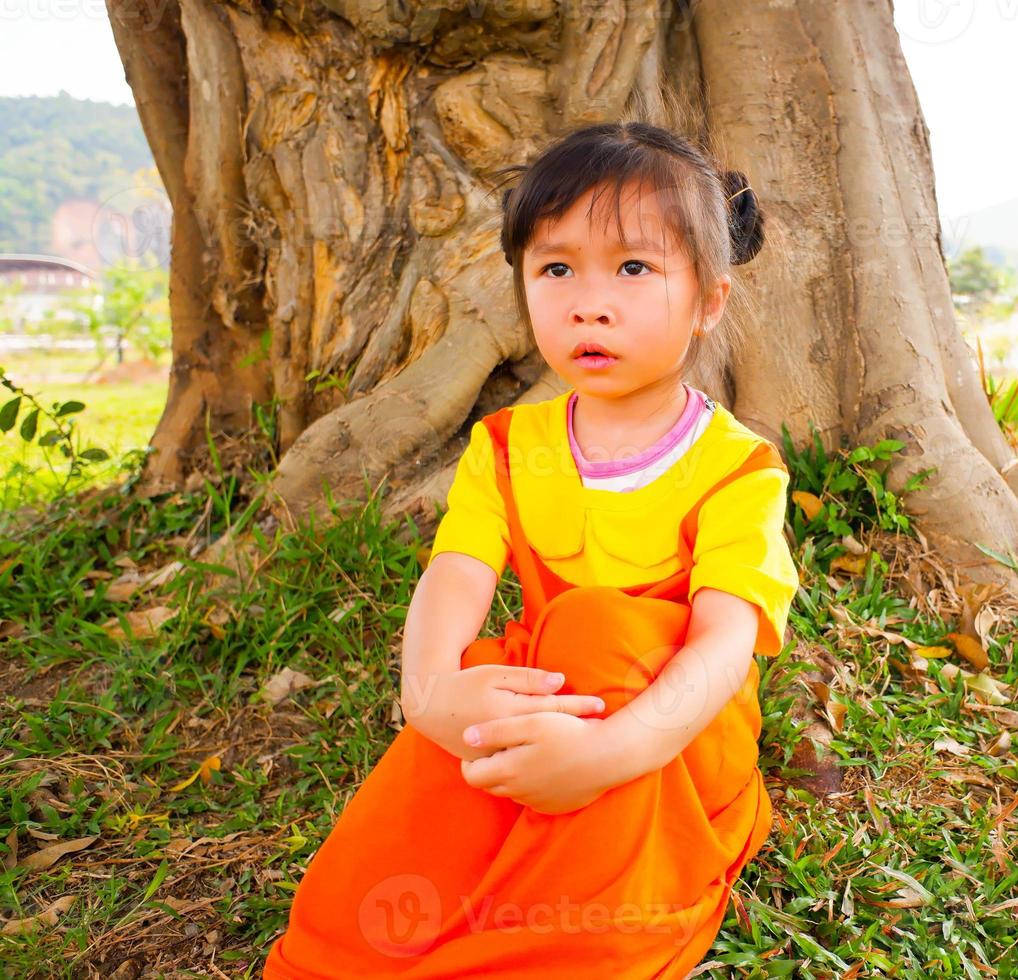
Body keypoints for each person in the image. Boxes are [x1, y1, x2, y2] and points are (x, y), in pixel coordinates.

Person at [263, 121, 800, 978]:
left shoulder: (739, 469)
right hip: (553, 706)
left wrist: (605, 755)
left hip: (664, 746)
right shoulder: (509, 445)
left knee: (595, 626)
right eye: (556, 269)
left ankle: (574, 929)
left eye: (634, 268)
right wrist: (431, 694)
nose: (589, 301)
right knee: (352, 915)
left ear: (708, 301)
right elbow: (456, 573)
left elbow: (722, 648)